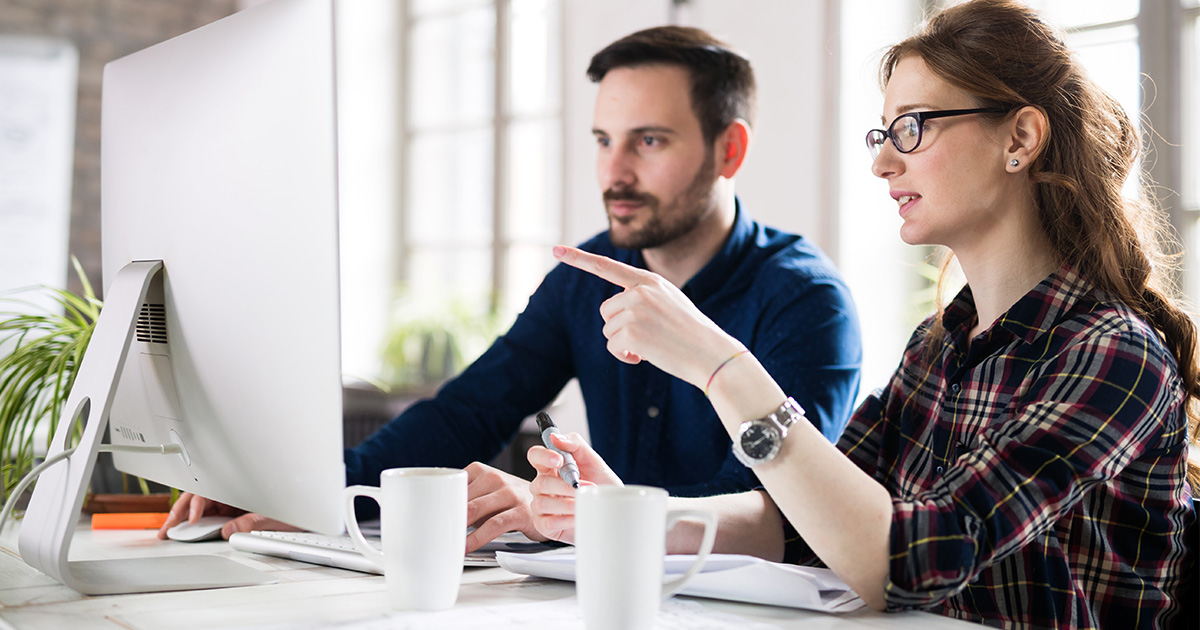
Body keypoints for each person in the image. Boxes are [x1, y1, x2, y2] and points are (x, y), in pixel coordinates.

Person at [526, 1, 1198, 627]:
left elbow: (909, 562)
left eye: (912, 127)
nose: (881, 162)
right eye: (883, 132)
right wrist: (627, 516)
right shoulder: (938, 348)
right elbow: (800, 520)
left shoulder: (1114, 354)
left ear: (1019, 135)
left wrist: (721, 366)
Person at [158, 26, 862, 552]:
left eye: (647, 142)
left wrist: (584, 516)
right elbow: (467, 411)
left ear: (729, 149)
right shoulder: (582, 279)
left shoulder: (806, 302)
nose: (613, 171)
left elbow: (781, 510)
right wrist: (311, 497)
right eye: (601, 139)